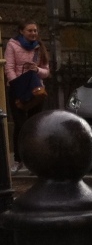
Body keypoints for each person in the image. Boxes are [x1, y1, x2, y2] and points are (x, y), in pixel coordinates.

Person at [4, 20, 51, 172]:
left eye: (35, 31)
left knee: (34, 125)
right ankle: (18, 160)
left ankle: (33, 161)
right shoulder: (12, 45)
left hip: (36, 91)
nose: (33, 33)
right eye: (30, 30)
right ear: (21, 31)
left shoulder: (39, 47)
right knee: (20, 124)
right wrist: (17, 84)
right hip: (18, 90)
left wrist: (36, 69)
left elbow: (46, 71)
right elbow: (9, 67)